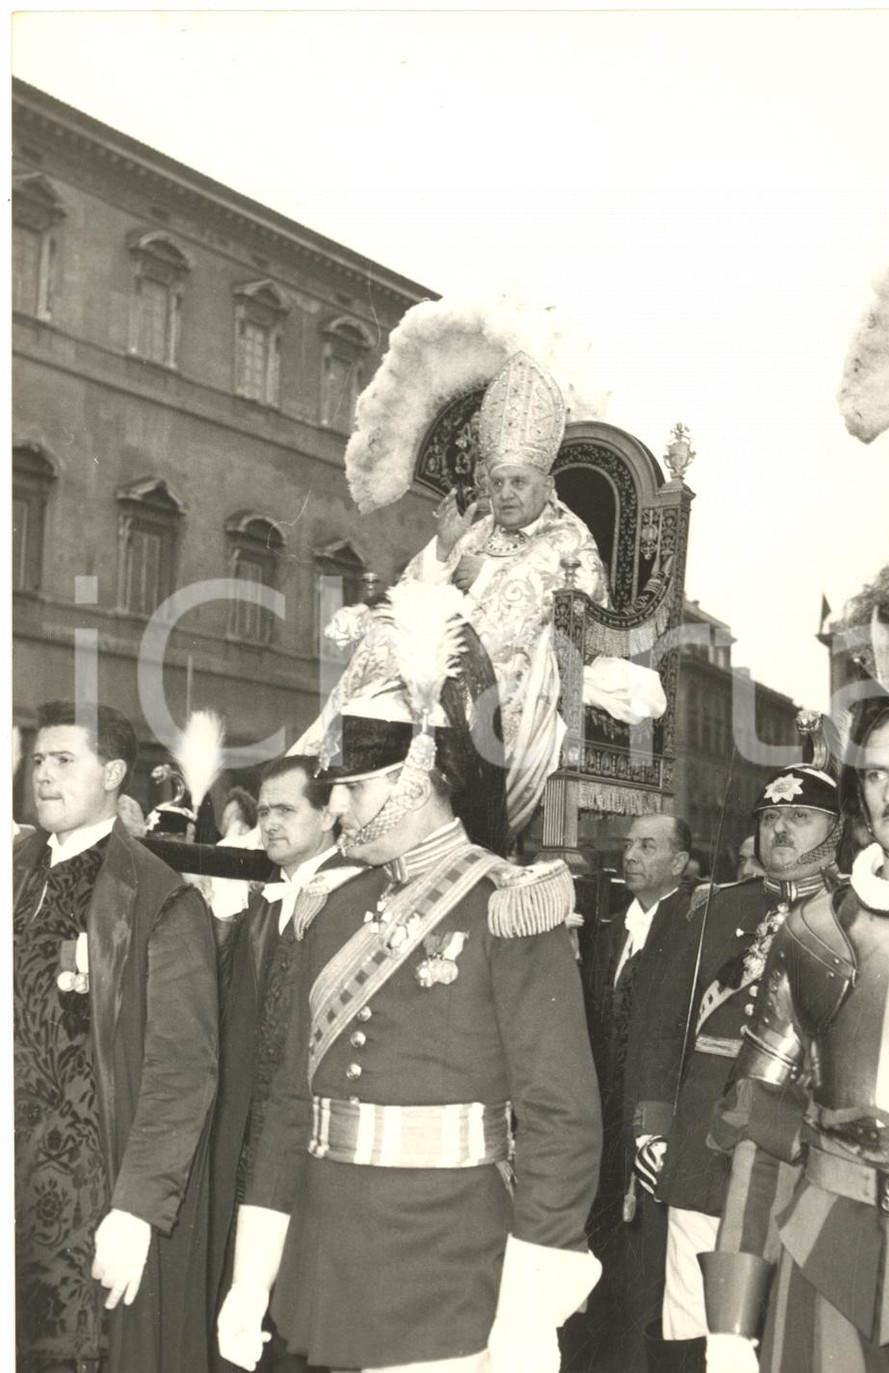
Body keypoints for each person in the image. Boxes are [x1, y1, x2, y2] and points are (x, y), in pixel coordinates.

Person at [216, 581, 602, 1373]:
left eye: (353, 788)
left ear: (418, 774)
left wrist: (530, 1307)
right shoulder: (330, 904)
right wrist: (251, 1276)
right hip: (327, 1259)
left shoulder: (507, 905)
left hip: (451, 1265)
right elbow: (291, 1103)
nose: (341, 809)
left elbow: (562, 1120)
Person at [702, 562, 889, 1373]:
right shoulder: (814, 929)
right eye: (875, 772)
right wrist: (731, 1321)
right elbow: (761, 1133)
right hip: (822, 1253)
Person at [13, 700, 219, 1373]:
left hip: (87, 1201)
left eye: (64, 760)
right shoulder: (18, 868)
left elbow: (182, 1072)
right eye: (38, 759)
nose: (43, 774)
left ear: (113, 773)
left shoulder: (157, 898)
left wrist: (135, 1211)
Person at [635, 764, 842, 1373]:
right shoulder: (709, 910)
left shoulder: (855, 915)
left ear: (836, 830)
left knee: (785, 1320)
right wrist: (651, 1128)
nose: (781, 830)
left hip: (796, 1146)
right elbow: (662, 1033)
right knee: (689, 1321)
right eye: (771, 817)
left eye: (800, 818)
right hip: (699, 1141)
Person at [400, 350, 610, 832]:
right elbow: (408, 599)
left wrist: (486, 580)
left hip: (519, 677)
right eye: (497, 483)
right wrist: (443, 551)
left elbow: (559, 606)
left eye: (519, 482)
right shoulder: (472, 533)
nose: (507, 494)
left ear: (548, 484)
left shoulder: (568, 538)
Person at [209, 756, 369, 1372]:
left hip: (314, 1149)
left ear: (329, 814)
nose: (268, 824)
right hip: (259, 1145)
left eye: (285, 810)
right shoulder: (269, 900)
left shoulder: (355, 899)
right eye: (264, 810)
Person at [565, 813, 693, 1373]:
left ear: (680, 863)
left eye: (648, 845)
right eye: (628, 845)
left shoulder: (692, 931)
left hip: (651, 1129)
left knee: (648, 1266)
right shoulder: (608, 932)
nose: (631, 855)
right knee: (602, 1259)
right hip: (601, 1131)